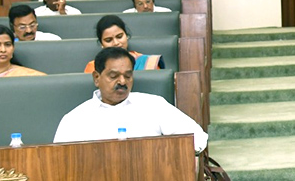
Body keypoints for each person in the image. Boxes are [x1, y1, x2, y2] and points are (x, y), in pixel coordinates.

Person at [54, 47, 207, 153]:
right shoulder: (75, 119)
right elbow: (60, 160)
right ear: (96, 77)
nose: (122, 82)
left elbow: (197, 138)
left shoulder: (153, 105)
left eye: (128, 76)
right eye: (113, 76)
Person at [82, 15, 165, 73]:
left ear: (126, 36)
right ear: (101, 44)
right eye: (108, 40)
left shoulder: (149, 63)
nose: (116, 43)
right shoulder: (93, 67)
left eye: (119, 36)